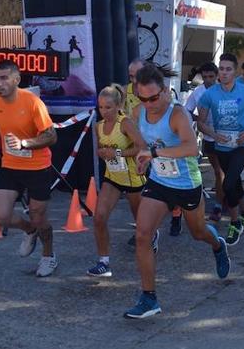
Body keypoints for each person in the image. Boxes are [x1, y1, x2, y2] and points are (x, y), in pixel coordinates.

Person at [124, 64, 230, 319]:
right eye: (142, 98)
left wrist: (155, 153)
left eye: (153, 97)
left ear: (164, 91)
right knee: (142, 234)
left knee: (198, 233)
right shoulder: (138, 112)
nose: (148, 103)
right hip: (160, 182)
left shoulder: (177, 114)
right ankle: (149, 298)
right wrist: (143, 158)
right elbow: (142, 143)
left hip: (186, 184)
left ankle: (218, 245)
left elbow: (191, 148)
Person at [0, 60, 59, 277]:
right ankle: (29, 230)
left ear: (16, 80)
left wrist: (24, 143)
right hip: (11, 166)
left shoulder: (33, 103)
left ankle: (48, 256)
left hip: (38, 167)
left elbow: (51, 136)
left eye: (4, 78)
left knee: (39, 217)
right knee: (1, 216)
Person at [197, 53, 244, 246]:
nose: (224, 72)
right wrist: (213, 134)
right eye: (221, 69)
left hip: (242, 145)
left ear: (235, 71)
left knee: (228, 184)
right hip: (221, 146)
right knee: (234, 183)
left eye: (228, 69)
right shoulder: (209, 94)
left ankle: (235, 222)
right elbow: (201, 123)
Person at [87, 84, 151, 277]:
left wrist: (117, 152)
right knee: (99, 218)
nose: (104, 111)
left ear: (117, 106)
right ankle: (103, 262)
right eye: (100, 107)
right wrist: (103, 153)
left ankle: (151, 237)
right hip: (113, 177)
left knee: (142, 224)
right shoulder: (98, 126)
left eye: (108, 107)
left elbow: (142, 147)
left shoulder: (125, 123)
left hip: (133, 178)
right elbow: (100, 150)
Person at [125, 59, 182, 238]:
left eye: (137, 75)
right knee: (148, 189)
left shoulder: (163, 94)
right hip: (143, 145)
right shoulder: (126, 91)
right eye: (131, 76)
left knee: (173, 184)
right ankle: (147, 232)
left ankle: (176, 212)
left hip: (165, 148)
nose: (134, 80)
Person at [184, 62, 225, 223]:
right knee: (218, 172)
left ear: (217, 76)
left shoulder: (225, 89)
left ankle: (225, 201)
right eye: (205, 77)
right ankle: (218, 206)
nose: (208, 80)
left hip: (227, 137)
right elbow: (186, 110)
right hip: (209, 137)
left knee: (226, 173)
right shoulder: (198, 92)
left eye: (211, 77)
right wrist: (199, 120)